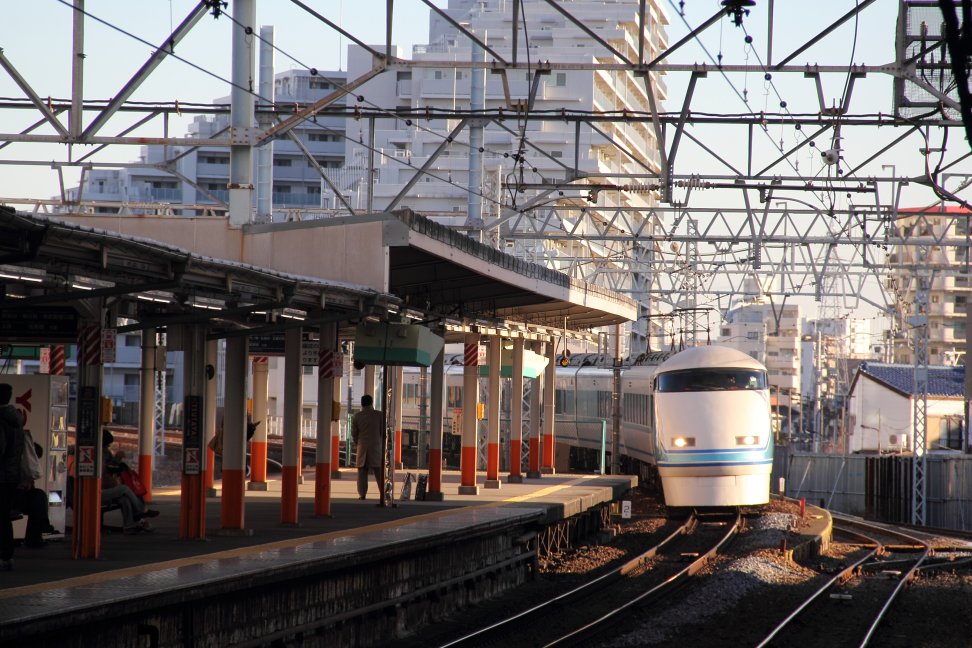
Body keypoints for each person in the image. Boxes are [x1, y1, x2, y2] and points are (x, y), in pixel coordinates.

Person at [101, 429, 158, 534]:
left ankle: (129, 526)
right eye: (106, 445)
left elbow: (111, 465)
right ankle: (141, 511)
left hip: (105, 488)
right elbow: (105, 469)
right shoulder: (97, 454)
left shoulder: (104, 452)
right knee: (125, 489)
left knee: (124, 499)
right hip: (97, 492)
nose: (107, 449)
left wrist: (117, 460)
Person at [14, 438, 60, 548]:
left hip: (16, 496)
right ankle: (40, 531)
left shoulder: (22, 466)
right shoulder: (12, 463)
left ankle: (39, 531)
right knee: (38, 497)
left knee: (38, 496)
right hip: (9, 495)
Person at [0, 383, 25, 569]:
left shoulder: (1, 421)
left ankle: (4, 554)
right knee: (4, 516)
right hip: (11, 476)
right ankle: (7, 555)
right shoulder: (16, 421)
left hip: (1, 476)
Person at [351, 394, 385, 506]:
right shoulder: (379, 415)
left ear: (362, 403)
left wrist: (358, 443)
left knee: (362, 472)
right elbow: (383, 432)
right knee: (379, 472)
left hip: (362, 447)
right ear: (371, 403)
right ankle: (383, 494)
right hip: (376, 447)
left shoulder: (357, 416)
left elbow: (354, 434)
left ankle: (362, 495)